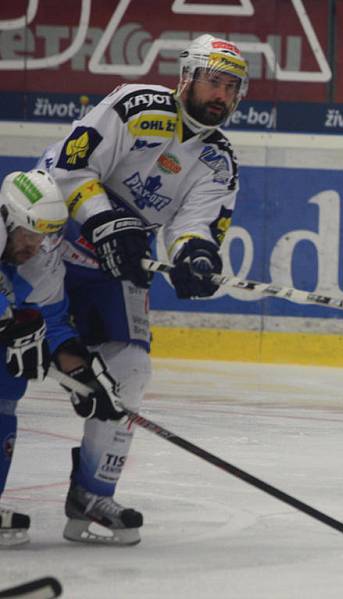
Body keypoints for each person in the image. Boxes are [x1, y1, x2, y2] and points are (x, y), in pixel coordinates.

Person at [37, 34, 249, 544]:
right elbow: (68, 169)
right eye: (214, 81)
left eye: (232, 88)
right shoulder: (135, 106)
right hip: (47, 244)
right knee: (12, 364)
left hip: (114, 267)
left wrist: (195, 256)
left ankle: (92, 493)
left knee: (130, 369)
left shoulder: (219, 159)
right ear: (187, 78)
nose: (222, 94)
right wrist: (106, 220)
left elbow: (195, 225)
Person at [0, 169, 127, 546]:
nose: (35, 245)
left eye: (45, 234)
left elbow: (52, 323)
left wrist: (85, 376)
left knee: (9, 381)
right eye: (28, 233)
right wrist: (12, 324)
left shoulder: (43, 257)